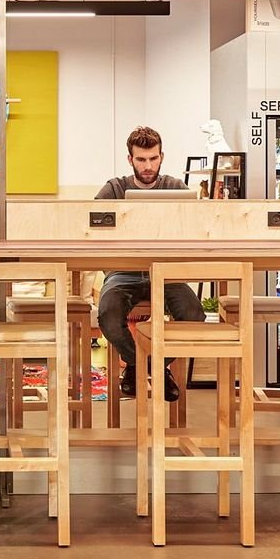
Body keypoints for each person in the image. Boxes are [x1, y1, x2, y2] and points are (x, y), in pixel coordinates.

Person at [95, 126, 205, 402]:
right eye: (141, 159)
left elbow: (196, 226)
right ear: (130, 159)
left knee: (194, 314)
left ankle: (153, 366)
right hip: (122, 272)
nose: (148, 166)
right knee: (108, 314)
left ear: (161, 157)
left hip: (167, 272)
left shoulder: (176, 188)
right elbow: (91, 223)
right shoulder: (114, 189)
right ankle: (141, 366)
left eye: (153, 159)